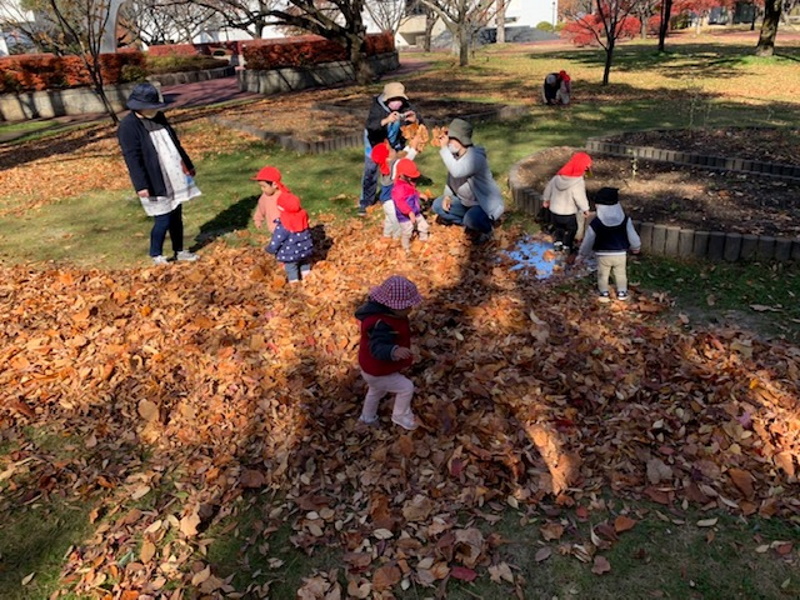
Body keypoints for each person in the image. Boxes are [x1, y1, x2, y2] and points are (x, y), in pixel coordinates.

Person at [118, 82, 201, 265]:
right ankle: (156, 254)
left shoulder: (159, 117)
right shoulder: (127, 126)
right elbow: (132, 158)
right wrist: (141, 185)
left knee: (176, 216)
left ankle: (179, 250)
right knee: (162, 219)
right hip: (155, 178)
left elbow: (175, 143)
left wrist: (188, 165)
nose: (152, 110)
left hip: (174, 174)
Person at [355, 275, 424, 431]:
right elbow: (377, 346)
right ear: (394, 306)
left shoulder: (386, 315)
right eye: (407, 307)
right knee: (406, 387)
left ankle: (367, 417)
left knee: (375, 391)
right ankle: (400, 415)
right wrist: (393, 351)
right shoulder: (381, 323)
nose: (410, 309)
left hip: (370, 368)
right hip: (377, 370)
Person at [431, 118, 504, 243]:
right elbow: (451, 177)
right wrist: (448, 196)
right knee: (438, 205)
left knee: (471, 219)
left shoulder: (475, 158)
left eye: (452, 139)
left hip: (482, 205)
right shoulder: (455, 157)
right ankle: (468, 224)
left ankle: (487, 229)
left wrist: (443, 149)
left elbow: (457, 171)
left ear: (461, 140)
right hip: (464, 203)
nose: (448, 142)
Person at [359, 81, 422, 216]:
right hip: (375, 143)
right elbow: (372, 126)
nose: (397, 103)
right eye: (394, 99)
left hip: (393, 143)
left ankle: (390, 197)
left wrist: (415, 119)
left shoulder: (404, 106)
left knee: (392, 171)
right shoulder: (377, 107)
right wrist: (386, 120)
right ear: (387, 98)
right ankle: (365, 202)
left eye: (400, 99)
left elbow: (418, 119)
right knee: (370, 171)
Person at [579, 187, 641, 302]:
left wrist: (583, 254)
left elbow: (589, 239)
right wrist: (636, 247)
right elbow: (632, 235)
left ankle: (604, 293)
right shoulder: (625, 220)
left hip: (602, 254)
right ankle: (622, 292)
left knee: (603, 274)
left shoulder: (596, 223)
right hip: (620, 254)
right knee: (621, 274)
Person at [542, 151, 592, 254]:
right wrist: (585, 209)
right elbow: (580, 197)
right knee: (572, 229)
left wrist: (546, 199)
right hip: (568, 213)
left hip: (555, 211)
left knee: (558, 227)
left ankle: (558, 243)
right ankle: (567, 245)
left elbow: (548, 188)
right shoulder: (577, 182)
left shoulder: (557, 177)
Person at [265, 188, 314, 284]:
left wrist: (271, 248)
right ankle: (307, 279)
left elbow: (278, 239)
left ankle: (294, 282)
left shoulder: (284, 224)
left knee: (291, 268)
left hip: (290, 253)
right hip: (304, 250)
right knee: (304, 263)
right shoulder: (302, 216)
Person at [392, 158, 430, 252]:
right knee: (407, 232)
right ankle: (406, 248)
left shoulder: (409, 183)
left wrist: (419, 194)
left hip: (416, 212)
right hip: (405, 216)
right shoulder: (398, 188)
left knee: (424, 225)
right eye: (409, 176)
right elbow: (400, 202)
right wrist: (409, 212)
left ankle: (423, 239)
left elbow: (412, 191)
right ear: (401, 175)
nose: (412, 179)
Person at [370, 141, 401, 239]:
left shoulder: (386, 167)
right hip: (390, 201)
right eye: (392, 150)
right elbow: (404, 159)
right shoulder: (391, 168)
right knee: (396, 219)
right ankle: (397, 237)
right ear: (387, 159)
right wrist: (413, 149)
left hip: (386, 201)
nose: (394, 150)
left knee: (389, 220)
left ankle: (386, 236)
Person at [251, 165, 285, 233]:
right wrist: (258, 220)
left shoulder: (284, 196)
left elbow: (294, 210)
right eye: (260, 186)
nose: (262, 189)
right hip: (273, 230)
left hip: (286, 229)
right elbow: (261, 208)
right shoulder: (264, 197)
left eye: (264, 186)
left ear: (274, 184)